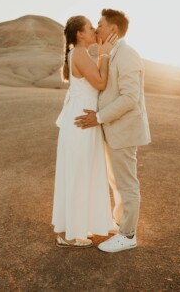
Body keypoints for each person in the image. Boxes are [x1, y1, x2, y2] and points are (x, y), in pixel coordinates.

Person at [75, 9, 151, 252]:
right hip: (112, 129)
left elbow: (130, 98)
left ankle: (128, 235)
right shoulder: (111, 53)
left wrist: (98, 117)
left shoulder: (127, 54)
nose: (96, 29)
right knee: (116, 181)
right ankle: (120, 224)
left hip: (124, 130)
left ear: (113, 30)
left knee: (127, 184)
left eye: (100, 24)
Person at [52, 15, 118, 248]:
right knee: (79, 172)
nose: (94, 31)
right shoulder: (79, 53)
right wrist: (106, 54)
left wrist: (100, 55)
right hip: (82, 122)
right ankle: (70, 235)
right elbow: (100, 83)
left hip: (82, 120)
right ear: (80, 35)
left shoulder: (79, 53)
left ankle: (77, 227)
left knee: (81, 172)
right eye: (90, 28)